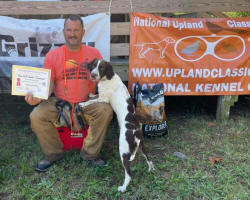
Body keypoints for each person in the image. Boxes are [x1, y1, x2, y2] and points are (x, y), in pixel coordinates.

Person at [25, 15, 113, 172]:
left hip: (87, 102)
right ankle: (53, 154)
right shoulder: (53, 55)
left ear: (83, 32)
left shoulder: (94, 53)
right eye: (69, 30)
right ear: (64, 32)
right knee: (36, 116)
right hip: (60, 102)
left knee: (105, 110)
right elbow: (47, 85)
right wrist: (36, 99)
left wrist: (106, 97)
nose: (73, 34)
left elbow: (103, 80)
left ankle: (90, 154)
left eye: (76, 30)